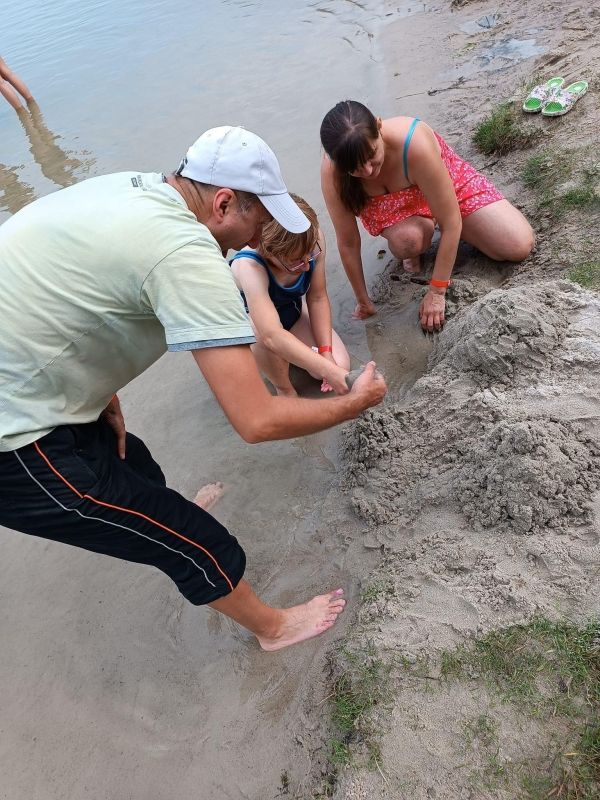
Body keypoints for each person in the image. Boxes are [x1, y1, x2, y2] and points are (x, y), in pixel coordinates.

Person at [0, 125, 387, 652]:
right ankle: (273, 629)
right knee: (193, 542)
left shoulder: (132, 188)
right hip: (15, 438)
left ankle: (166, 514)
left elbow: (60, 291)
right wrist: (353, 403)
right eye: (259, 222)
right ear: (223, 203)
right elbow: (256, 421)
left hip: (31, 385)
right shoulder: (185, 251)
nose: (255, 240)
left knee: (135, 466)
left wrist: (99, 389)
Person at [320, 100, 535, 331]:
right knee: (407, 242)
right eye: (355, 169)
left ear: (379, 126)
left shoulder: (414, 145)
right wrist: (363, 301)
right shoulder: (333, 172)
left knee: (518, 245)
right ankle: (419, 239)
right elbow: (349, 242)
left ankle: (443, 222)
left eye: (372, 156)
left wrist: (437, 291)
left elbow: (451, 221)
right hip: (397, 210)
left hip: (443, 187)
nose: (369, 172)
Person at [230, 194, 350, 397]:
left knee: (339, 365)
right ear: (270, 253)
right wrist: (326, 369)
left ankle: (296, 353)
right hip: (255, 327)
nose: (306, 266)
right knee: (259, 333)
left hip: (290, 311)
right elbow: (271, 335)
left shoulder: (312, 239)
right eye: (295, 262)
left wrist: (326, 354)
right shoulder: (250, 267)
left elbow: (317, 297)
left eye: (310, 255)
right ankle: (284, 389)